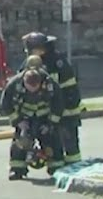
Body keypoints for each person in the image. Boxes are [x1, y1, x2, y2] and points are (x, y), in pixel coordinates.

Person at [22, 32, 84, 163]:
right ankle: (59, 164)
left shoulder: (55, 62)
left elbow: (67, 88)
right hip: (52, 109)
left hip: (67, 108)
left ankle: (74, 165)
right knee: (54, 140)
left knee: (69, 139)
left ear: (38, 48)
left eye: (31, 49)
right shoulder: (35, 63)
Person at [0, 65, 65, 180]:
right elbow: (5, 103)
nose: (33, 91)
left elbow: (59, 104)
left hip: (44, 117)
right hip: (25, 118)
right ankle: (17, 169)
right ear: (24, 81)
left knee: (52, 141)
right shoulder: (15, 83)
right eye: (30, 87)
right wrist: (18, 121)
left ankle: (56, 169)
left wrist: (50, 124)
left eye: (36, 87)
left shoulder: (50, 84)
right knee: (20, 143)